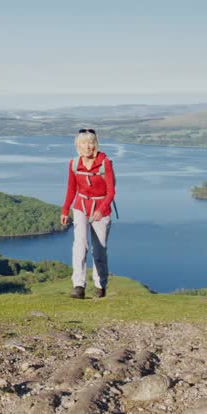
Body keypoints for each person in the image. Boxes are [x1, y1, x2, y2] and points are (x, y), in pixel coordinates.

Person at [60, 128, 116, 299]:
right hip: (81, 207)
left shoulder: (105, 163)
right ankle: (78, 286)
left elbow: (111, 192)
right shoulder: (74, 164)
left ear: (95, 144)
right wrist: (65, 210)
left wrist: (101, 210)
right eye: (83, 143)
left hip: (101, 208)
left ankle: (100, 286)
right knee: (80, 245)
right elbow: (71, 189)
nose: (87, 146)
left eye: (90, 142)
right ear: (78, 145)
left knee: (99, 250)